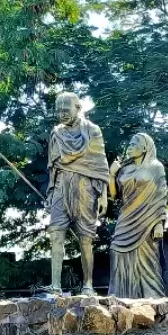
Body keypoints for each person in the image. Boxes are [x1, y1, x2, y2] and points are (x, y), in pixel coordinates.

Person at [47, 91, 111, 294]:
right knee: (56, 233)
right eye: (58, 111)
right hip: (60, 186)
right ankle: (55, 286)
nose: (61, 114)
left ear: (78, 108)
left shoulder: (93, 131)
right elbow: (53, 167)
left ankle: (88, 284)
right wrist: (51, 193)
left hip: (85, 188)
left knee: (85, 238)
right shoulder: (56, 132)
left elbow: (100, 166)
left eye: (65, 110)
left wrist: (103, 196)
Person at [107, 132, 168, 299]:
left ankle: (151, 298)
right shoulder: (124, 169)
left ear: (145, 147)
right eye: (130, 143)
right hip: (126, 218)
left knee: (146, 260)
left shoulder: (156, 167)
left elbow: (161, 195)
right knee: (116, 251)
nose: (130, 147)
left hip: (148, 221)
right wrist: (112, 174)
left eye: (135, 143)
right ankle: (120, 297)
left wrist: (159, 222)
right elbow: (114, 195)